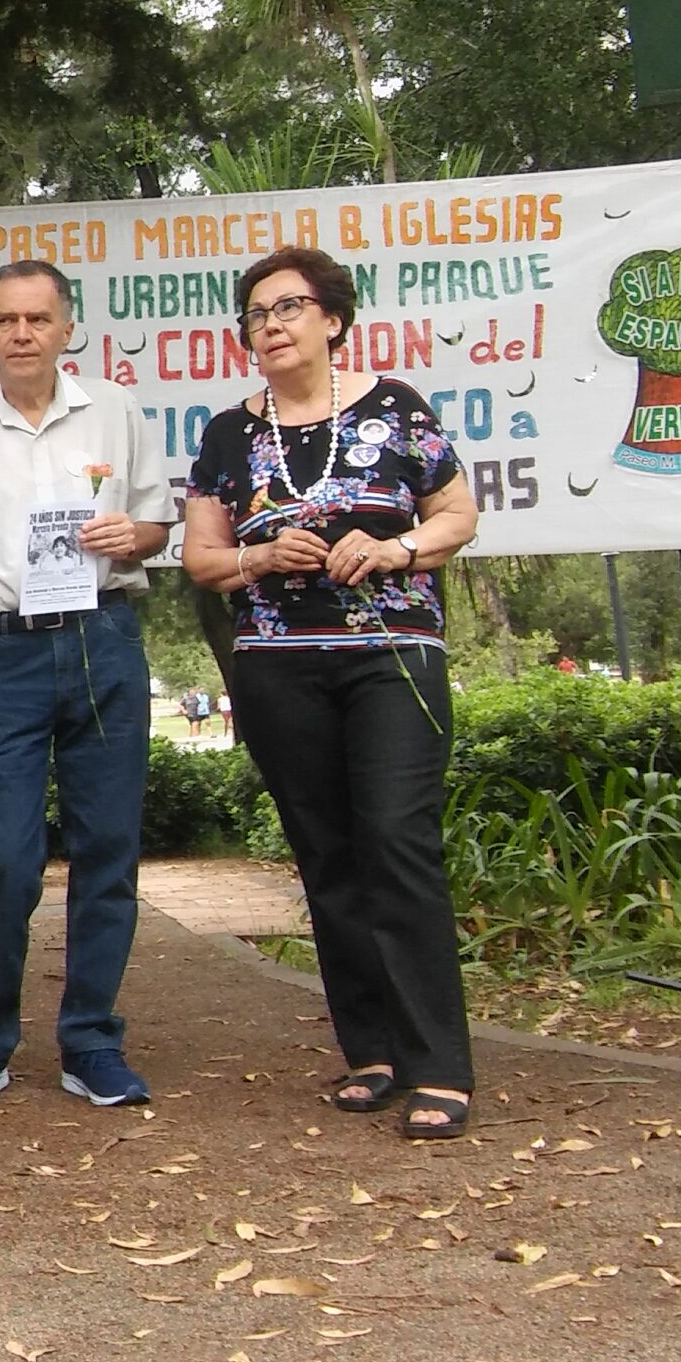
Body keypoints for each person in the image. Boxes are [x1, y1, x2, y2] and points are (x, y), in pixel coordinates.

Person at [179, 247, 482, 1141]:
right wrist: (262, 556)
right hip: (278, 663)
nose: (271, 325)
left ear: (334, 319)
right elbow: (201, 559)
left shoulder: (397, 407)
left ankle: (440, 1065)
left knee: (397, 841)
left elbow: (458, 514)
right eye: (257, 315)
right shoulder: (228, 434)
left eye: (289, 308)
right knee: (326, 853)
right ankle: (373, 1051)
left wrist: (394, 550)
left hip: (391, 656)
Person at [0, 260, 172, 1109]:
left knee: (107, 852)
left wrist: (137, 534)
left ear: (66, 329)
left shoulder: (115, 412)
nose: (22, 334)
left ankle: (91, 1042)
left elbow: (159, 525)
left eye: (38, 320)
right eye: (7, 320)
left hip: (105, 641)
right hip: (1, 657)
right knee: (6, 859)